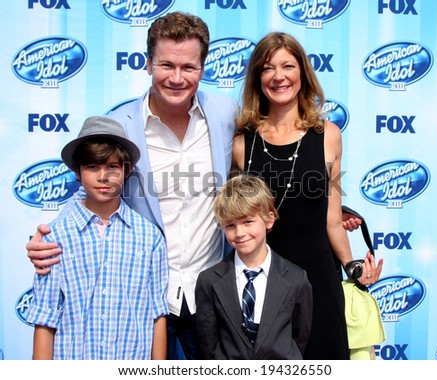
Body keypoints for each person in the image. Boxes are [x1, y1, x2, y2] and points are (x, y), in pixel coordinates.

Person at [25, 12, 237, 360]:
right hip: (141, 300)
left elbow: (255, 171)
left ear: (203, 67)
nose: (177, 78)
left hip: (211, 291)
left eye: (189, 67)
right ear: (148, 63)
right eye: (166, 65)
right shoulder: (121, 122)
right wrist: (51, 240)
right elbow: (93, 187)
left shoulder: (225, 113)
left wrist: (333, 207)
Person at [231, 32, 383, 360]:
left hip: (319, 278)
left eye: (288, 65)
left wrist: (351, 265)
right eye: (268, 68)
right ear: (258, 77)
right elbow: (235, 217)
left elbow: (331, 219)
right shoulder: (243, 144)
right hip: (262, 281)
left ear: (302, 73)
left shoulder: (328, 135)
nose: (279, 76)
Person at [27, 116, 169, 359]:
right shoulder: (56, 236)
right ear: (77, 172)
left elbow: (157, 313)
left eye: (112, 167)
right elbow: (45, 315)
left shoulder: (149, 237)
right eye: (92, 167)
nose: (103, 177)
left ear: (127, 170)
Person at [195, 175, 313, 359]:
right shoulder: (209, 281)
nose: (239, 233)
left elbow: (300, 337)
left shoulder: (296, 278)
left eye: (247, 222)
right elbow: (207, 342)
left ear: (269, 219)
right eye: (230, 225)